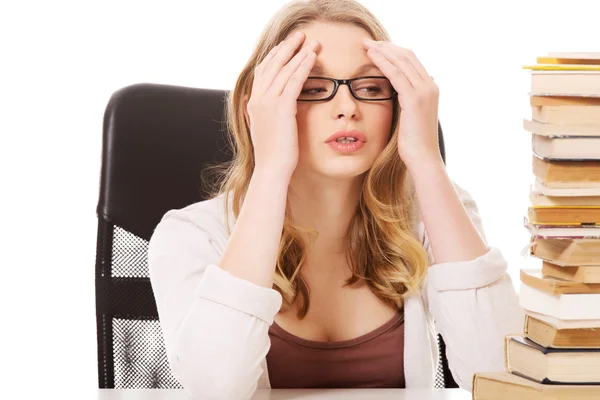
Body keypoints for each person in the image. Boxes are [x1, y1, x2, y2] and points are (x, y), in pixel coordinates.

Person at [147, 0, 524, 399]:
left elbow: (503, 377)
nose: (347, 109)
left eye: (371, 88)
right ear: (258, 110)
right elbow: (214, 389)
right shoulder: (189, 236)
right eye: (311, 89)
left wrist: (427, 162)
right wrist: (272, 168)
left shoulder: (433, 212)